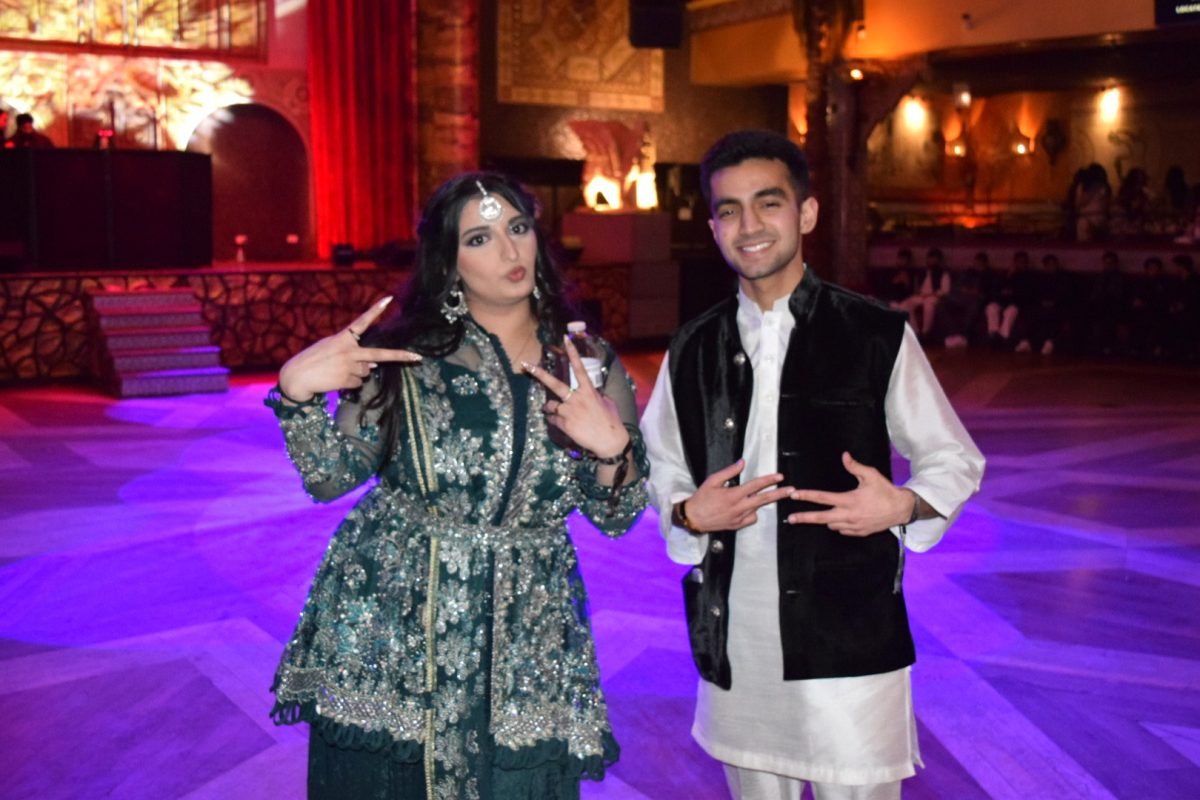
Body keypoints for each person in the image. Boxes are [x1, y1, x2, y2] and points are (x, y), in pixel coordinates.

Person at [265, 172, 649, 799]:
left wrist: (612, 448)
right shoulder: (403, 359)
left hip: (528, 628)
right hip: (394, 617)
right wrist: (296, 394)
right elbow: (331, 475)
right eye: (480, 238)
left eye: (518, 229)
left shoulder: (590, 364)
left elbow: (616, 513)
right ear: (448, 262)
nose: (509, 252)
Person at [641, 130, 985, 800]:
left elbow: (953, 456)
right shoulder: (691, 348)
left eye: (768, 204)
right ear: (713, 227)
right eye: (730, 210)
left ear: (805, 213)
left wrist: (904, 505)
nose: (749, 226)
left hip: (849, 631)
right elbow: (662, 466)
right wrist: (687, 511)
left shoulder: (875, 332)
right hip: (737, 638)